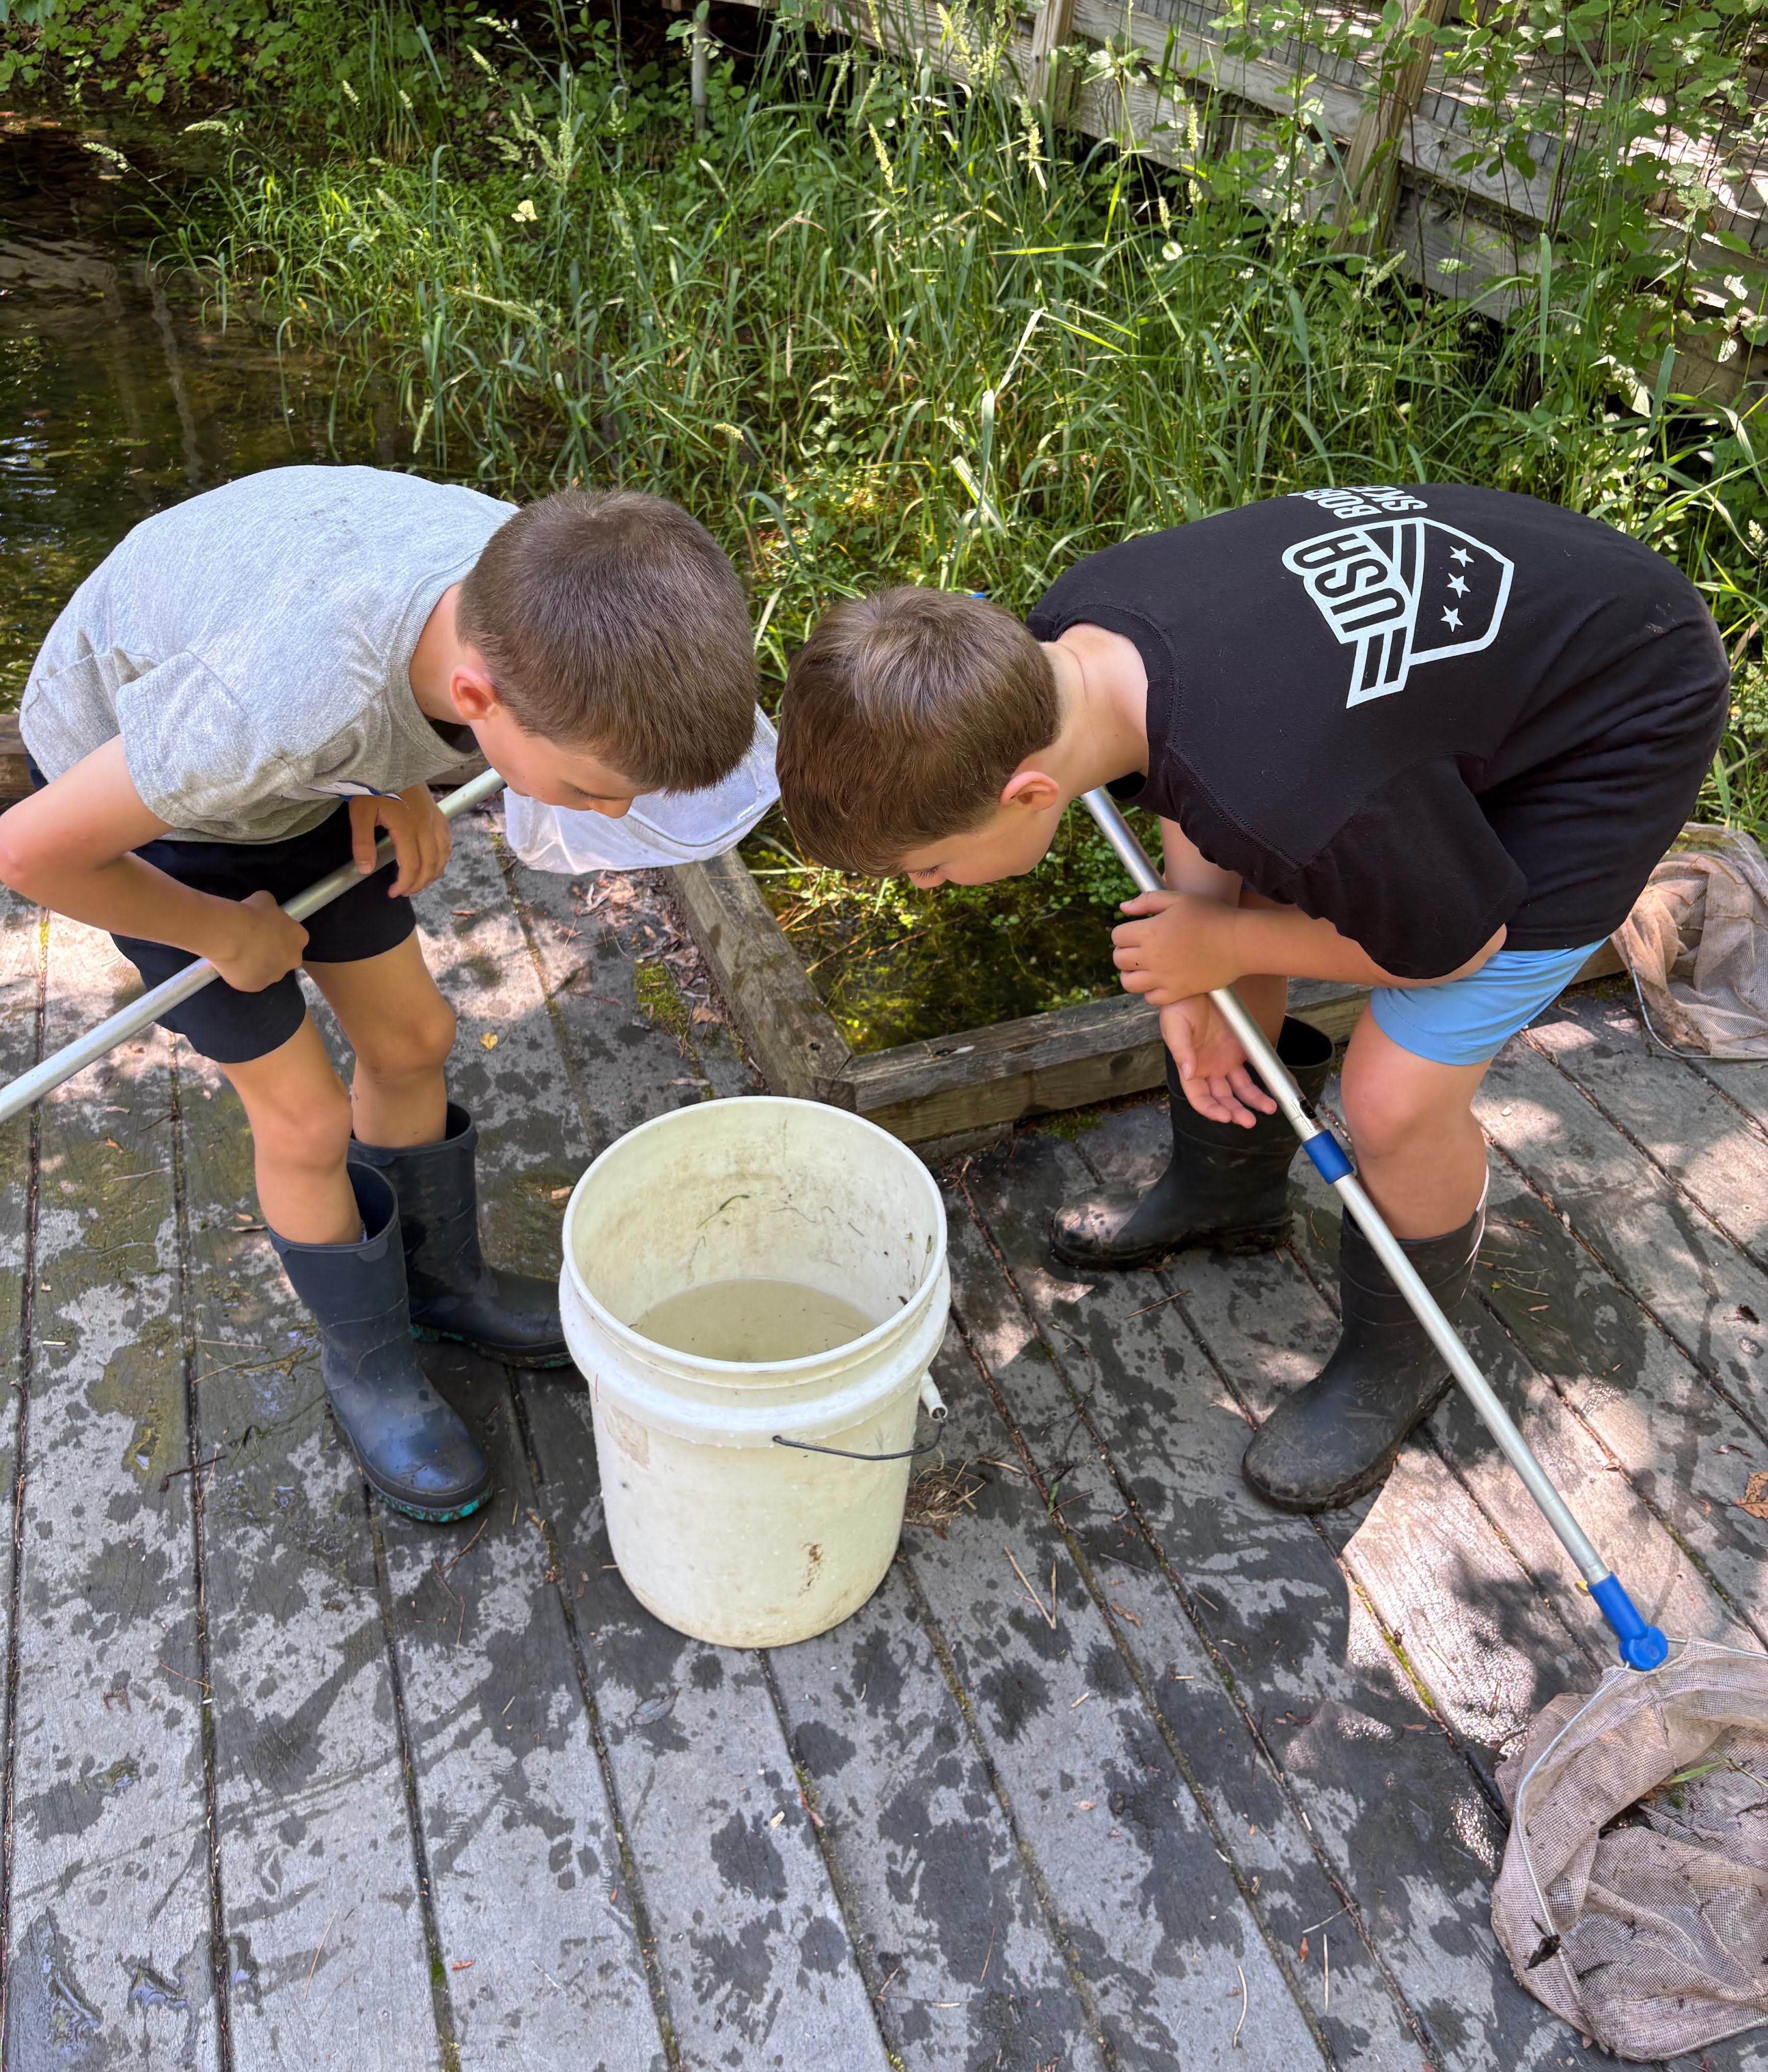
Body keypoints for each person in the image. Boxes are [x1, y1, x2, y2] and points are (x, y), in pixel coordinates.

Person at [774, 484, 1728, 1510]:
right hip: (1442, 685)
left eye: (928, 867)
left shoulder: (1283, 779)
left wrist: (1223, 938)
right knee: (1255, 879)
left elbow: (1456, 944)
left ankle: (1398, 1357)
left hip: (1622, 706)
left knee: (1394, 1095)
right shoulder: (1072, 644)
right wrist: (1201, 929)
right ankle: (1230, 1190)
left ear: (1028, 794)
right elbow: (1206, 779)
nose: (928, 889)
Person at [0, 467, 756, 1522]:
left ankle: (444, 1286)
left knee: (415, 1034)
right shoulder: (275, 708)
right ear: (480, 703)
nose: (611, 809)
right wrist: (220, 928)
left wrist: (396, 779)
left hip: (300, 765)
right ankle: (371, 1366)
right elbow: (31, 856)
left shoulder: (535, 577)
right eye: (590, 788)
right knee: (305, 1118)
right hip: (145, 818)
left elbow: (383, 656)